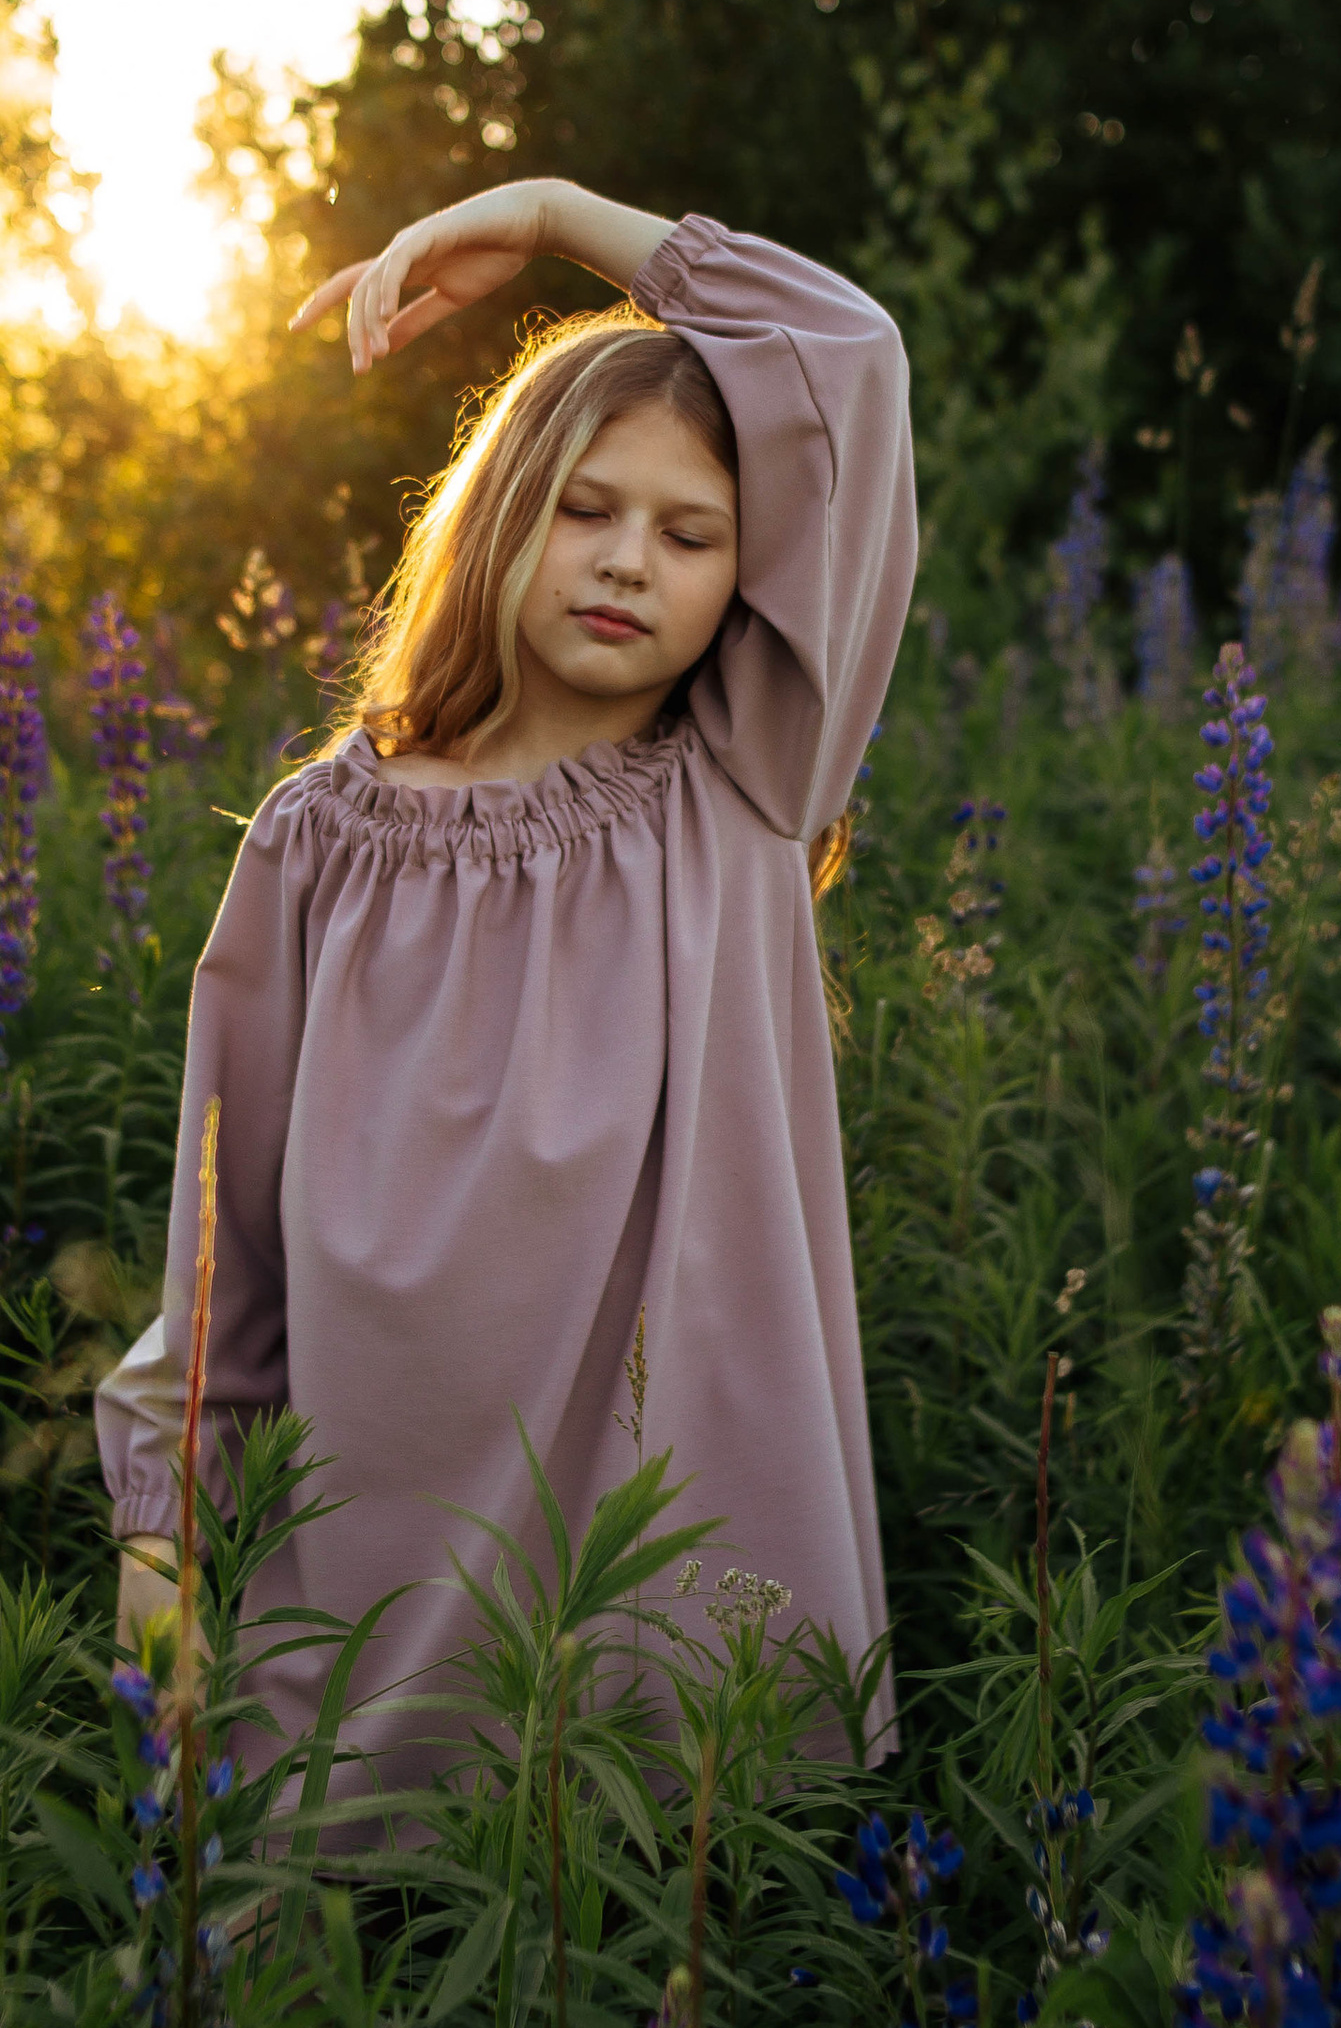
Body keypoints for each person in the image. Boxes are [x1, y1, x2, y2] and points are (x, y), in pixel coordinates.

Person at [92, 177, 917, 1795]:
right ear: (499, 512)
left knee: (658, 1982)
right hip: (371, 1585)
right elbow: (222, 1245)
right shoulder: (321, 838)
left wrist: (552, 213)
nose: (630, 564)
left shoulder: (747, 780)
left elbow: (853, 353)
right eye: (588, 509)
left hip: (675, 1596)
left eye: (693, 536)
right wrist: (162, 1532)